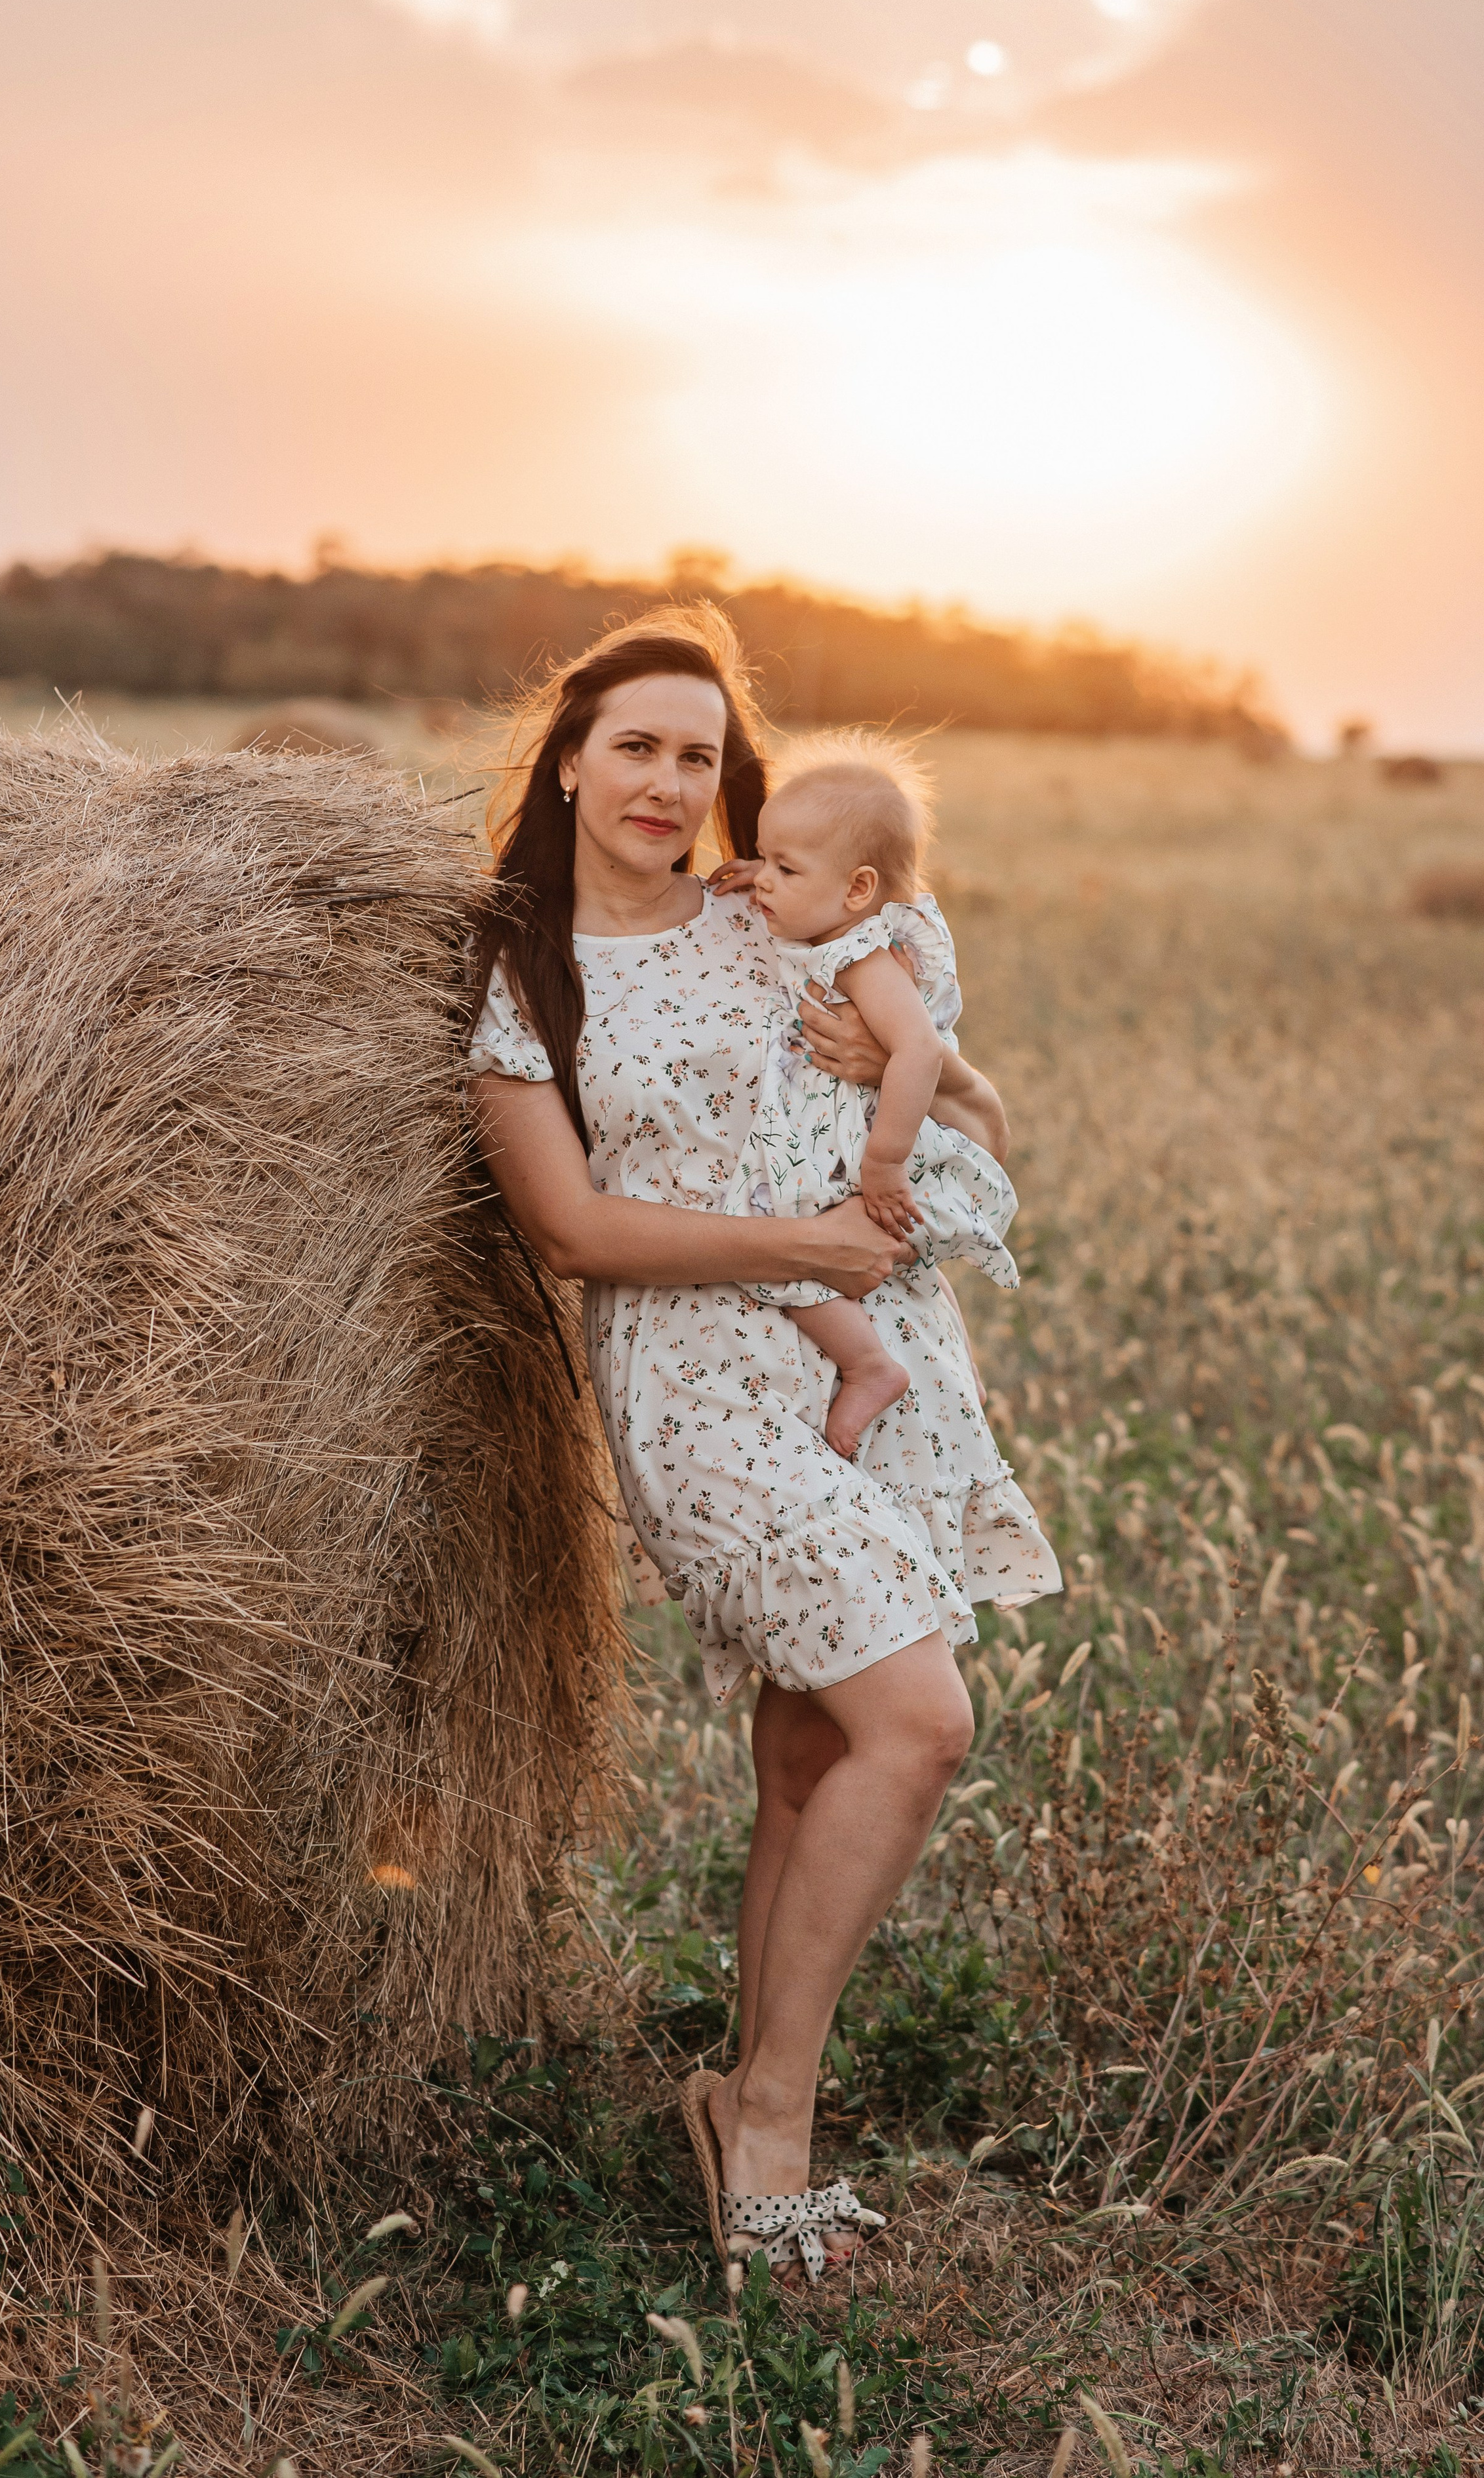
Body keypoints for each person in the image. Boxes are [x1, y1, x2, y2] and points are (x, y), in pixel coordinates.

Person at [466, 607, 1060, 2283]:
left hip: (874, 1362)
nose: (667, 781)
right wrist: (804, 1250)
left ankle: (741, 2100)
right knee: (916, 1720)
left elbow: (974, 1111)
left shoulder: (774, 915)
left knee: (812, 1751)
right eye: (636, 745)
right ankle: (770, 2117)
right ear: (569, 759)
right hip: (704, 1384)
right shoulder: (524, 974)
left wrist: (912, 1080)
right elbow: (573, 1229)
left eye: (699, 754)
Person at [722, 736, 1020, 1460]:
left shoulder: (862, 955)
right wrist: (756, 878)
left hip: (860, 1145)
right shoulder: (821, 927)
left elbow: (918, 1049)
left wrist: (883, 1165)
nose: (763, 880)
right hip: (826, 1131)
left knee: (770, 1231)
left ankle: (868, 1364)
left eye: (783, 868)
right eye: (762, 857)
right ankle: (866, 1358)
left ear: (857, 890)